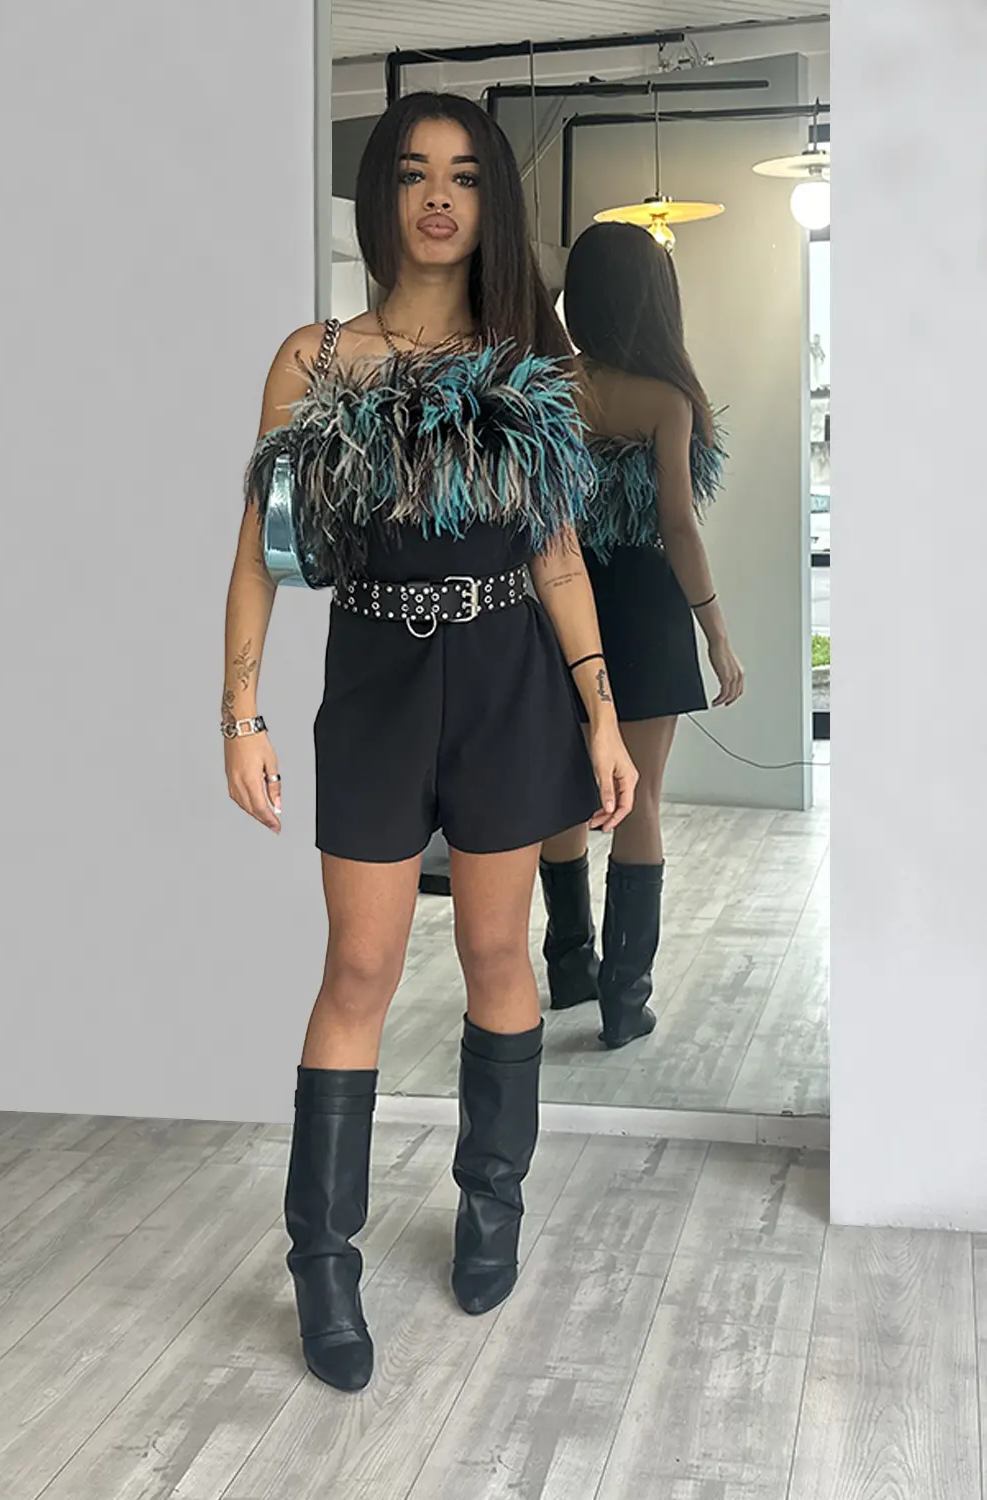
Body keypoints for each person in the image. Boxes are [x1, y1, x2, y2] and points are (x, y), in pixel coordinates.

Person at [222, 94, 638, 1392]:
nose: (439, 195)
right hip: (376, 680)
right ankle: (321, 1261)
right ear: (381, 197)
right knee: (358, 966)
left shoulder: (525, 364)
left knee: (498, 953)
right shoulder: (314, 360)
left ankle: (490, 1206)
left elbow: (556, 555)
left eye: (462, 174)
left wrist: (601, 711)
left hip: (510, 678)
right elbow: (260, 554)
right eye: (412, 173)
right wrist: (239, 711)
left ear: (489, 201)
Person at [538, 222, 744, 1049]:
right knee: (641, 799)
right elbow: (678, 527)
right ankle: (625, 1000)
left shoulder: (548, 389)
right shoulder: (666, 400)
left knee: (565, 789)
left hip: (560, 606)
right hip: (648, 610)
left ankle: (568, 965)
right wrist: (717, 634)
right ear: (654, 302)